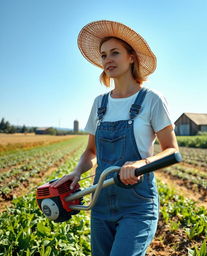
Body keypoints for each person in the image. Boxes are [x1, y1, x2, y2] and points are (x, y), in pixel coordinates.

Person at [51, 20, 179, 256]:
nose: (107, 59)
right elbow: (91, 152)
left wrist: (139, 164)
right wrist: (77, 172)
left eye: (115, 53)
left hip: (136, 204)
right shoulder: (99, 103)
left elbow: (172, 150)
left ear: (131, 57)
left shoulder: (152, 99)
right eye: (103, 55)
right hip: (100, 202)